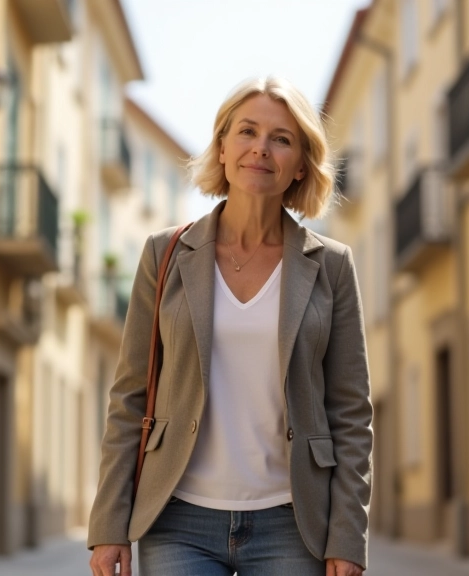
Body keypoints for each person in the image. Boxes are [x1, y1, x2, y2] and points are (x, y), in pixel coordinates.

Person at [87, 76, 372, 576]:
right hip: (177, 518)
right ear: (222, 147)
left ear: (301, 164)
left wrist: (347, 535)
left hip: (292, 521)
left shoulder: (331, 267)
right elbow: (130, 395)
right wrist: (110, 524)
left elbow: (350, 413)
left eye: (281, 139)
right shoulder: (166, 254)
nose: (260, 148)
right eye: (247, 132)